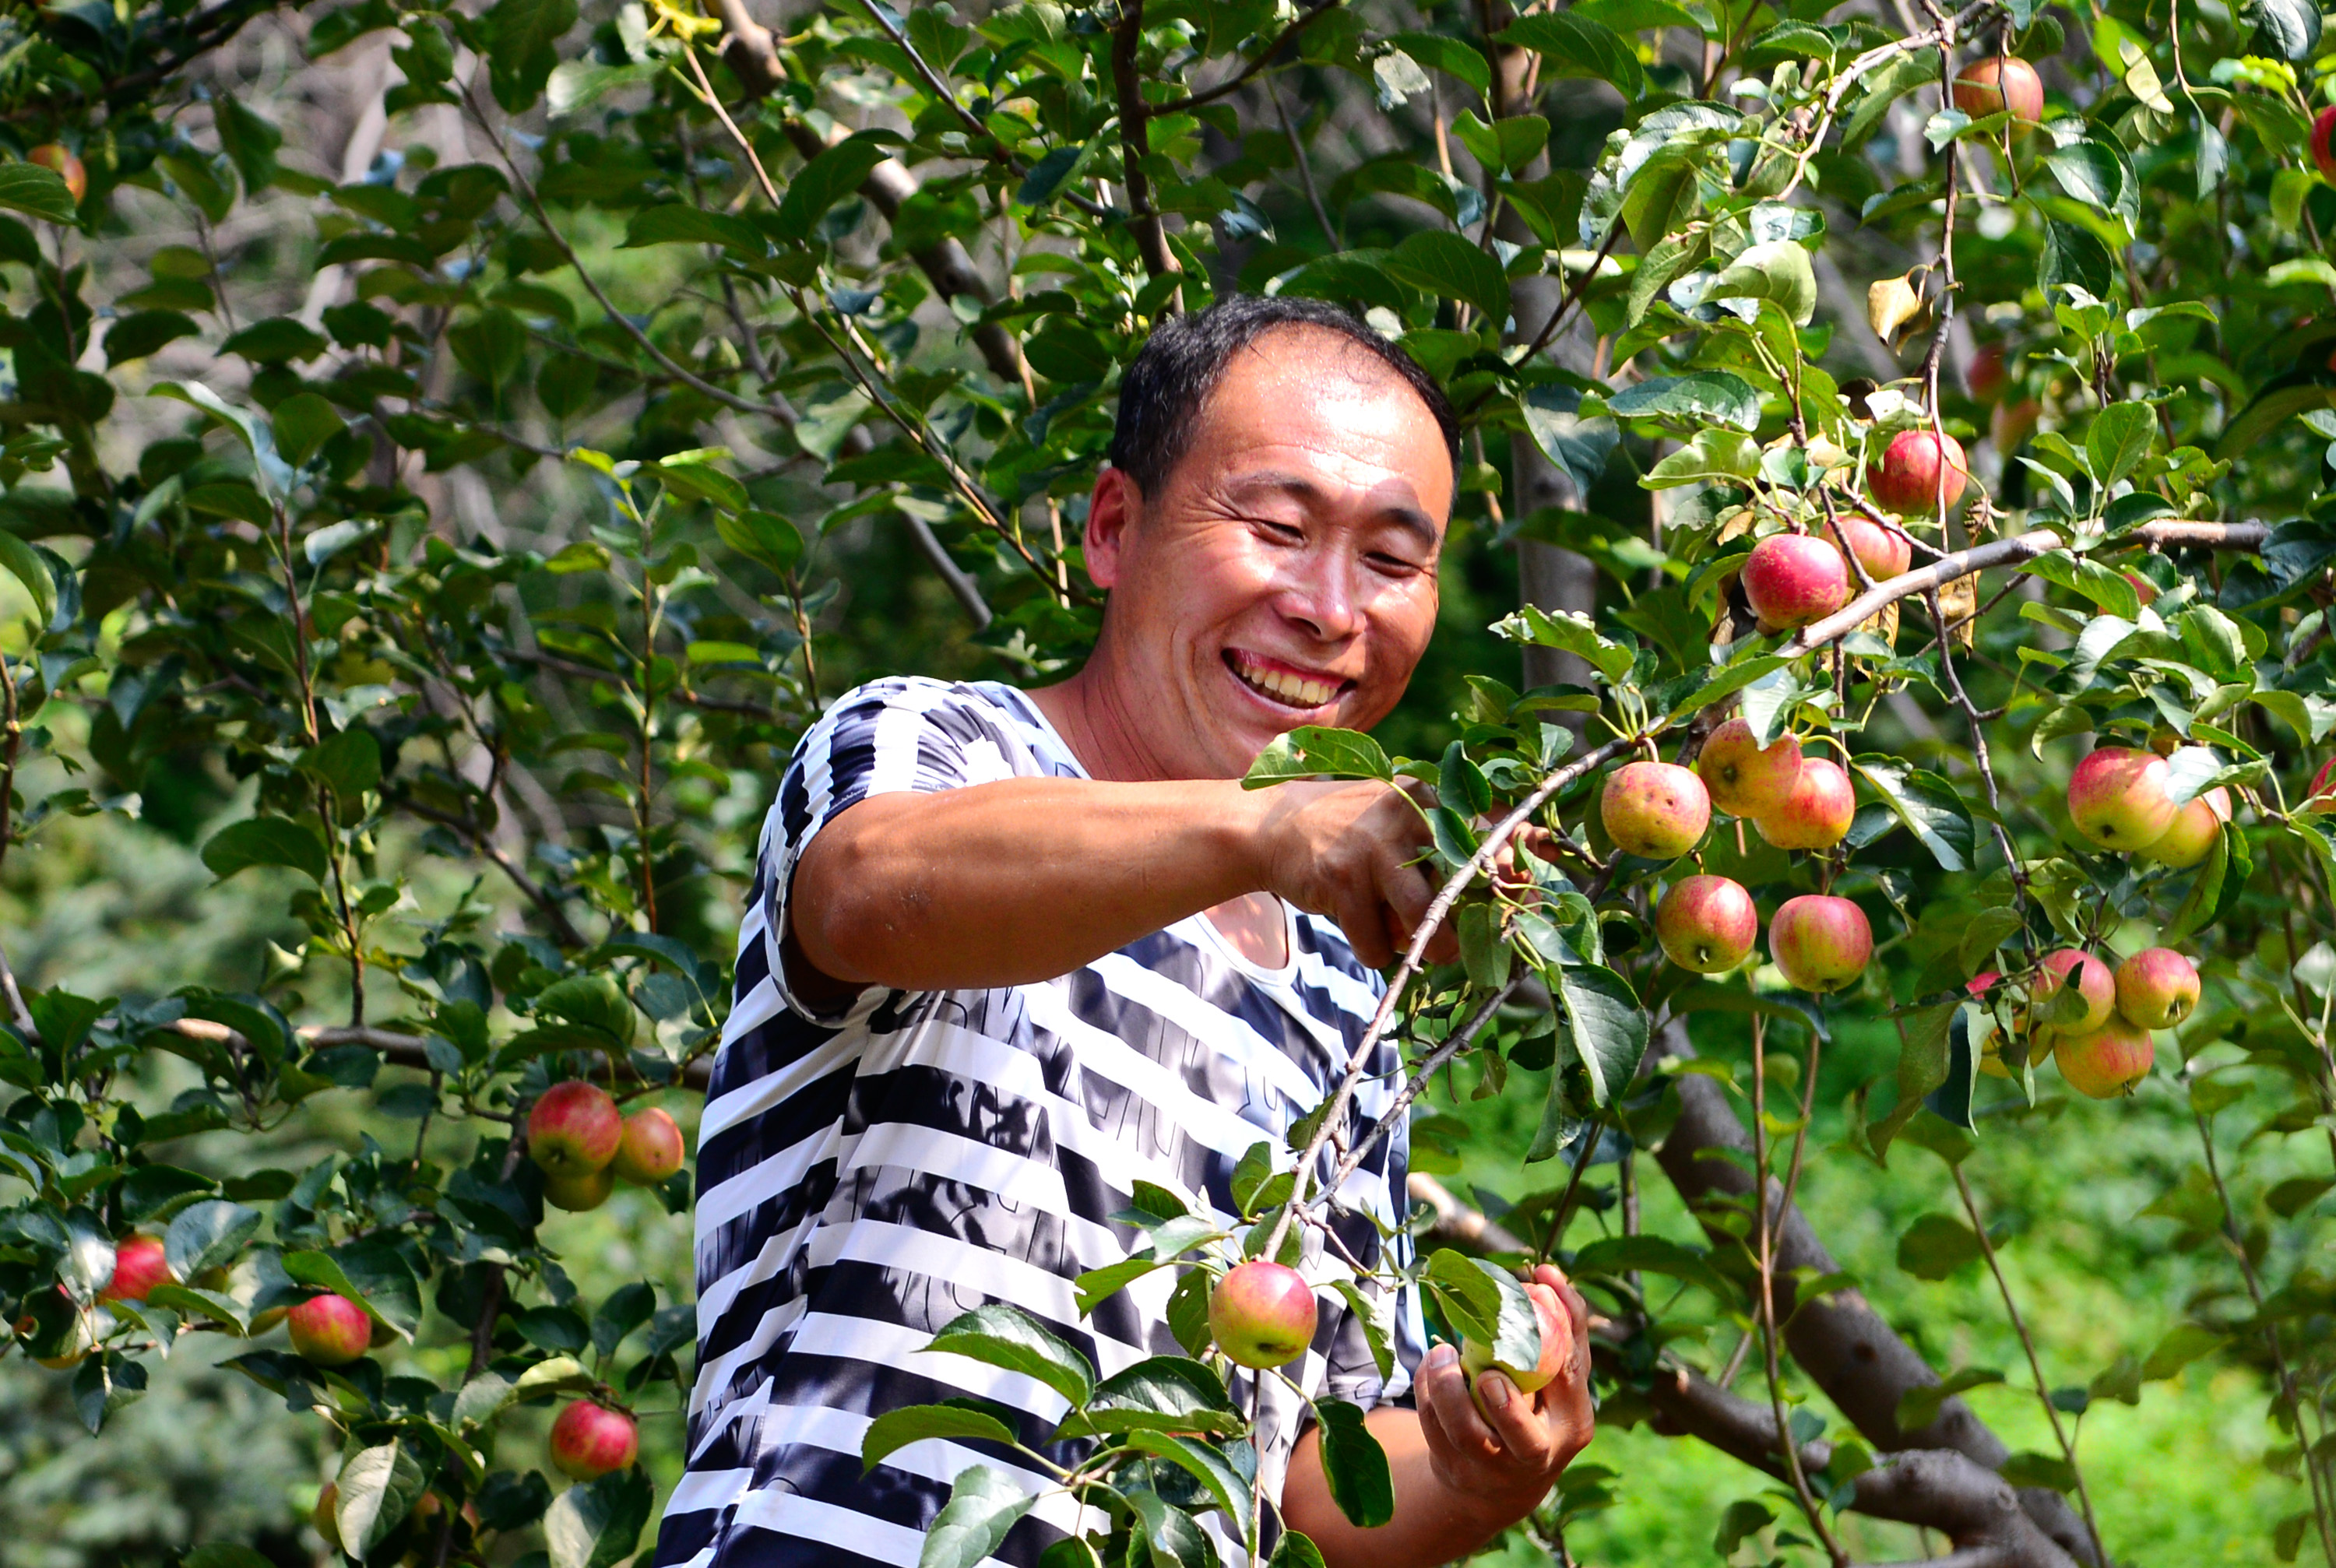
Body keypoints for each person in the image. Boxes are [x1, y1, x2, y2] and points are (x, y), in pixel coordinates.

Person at [651, 294, 1594, 1568]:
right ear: (1112, 528)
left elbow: (1302, 1484)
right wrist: (1271, 825)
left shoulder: (1345, 996)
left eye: (1388, 559)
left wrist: (1483, 1473)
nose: (1328, 608)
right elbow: (872, 890)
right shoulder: (935, 748)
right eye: (1276, 526)